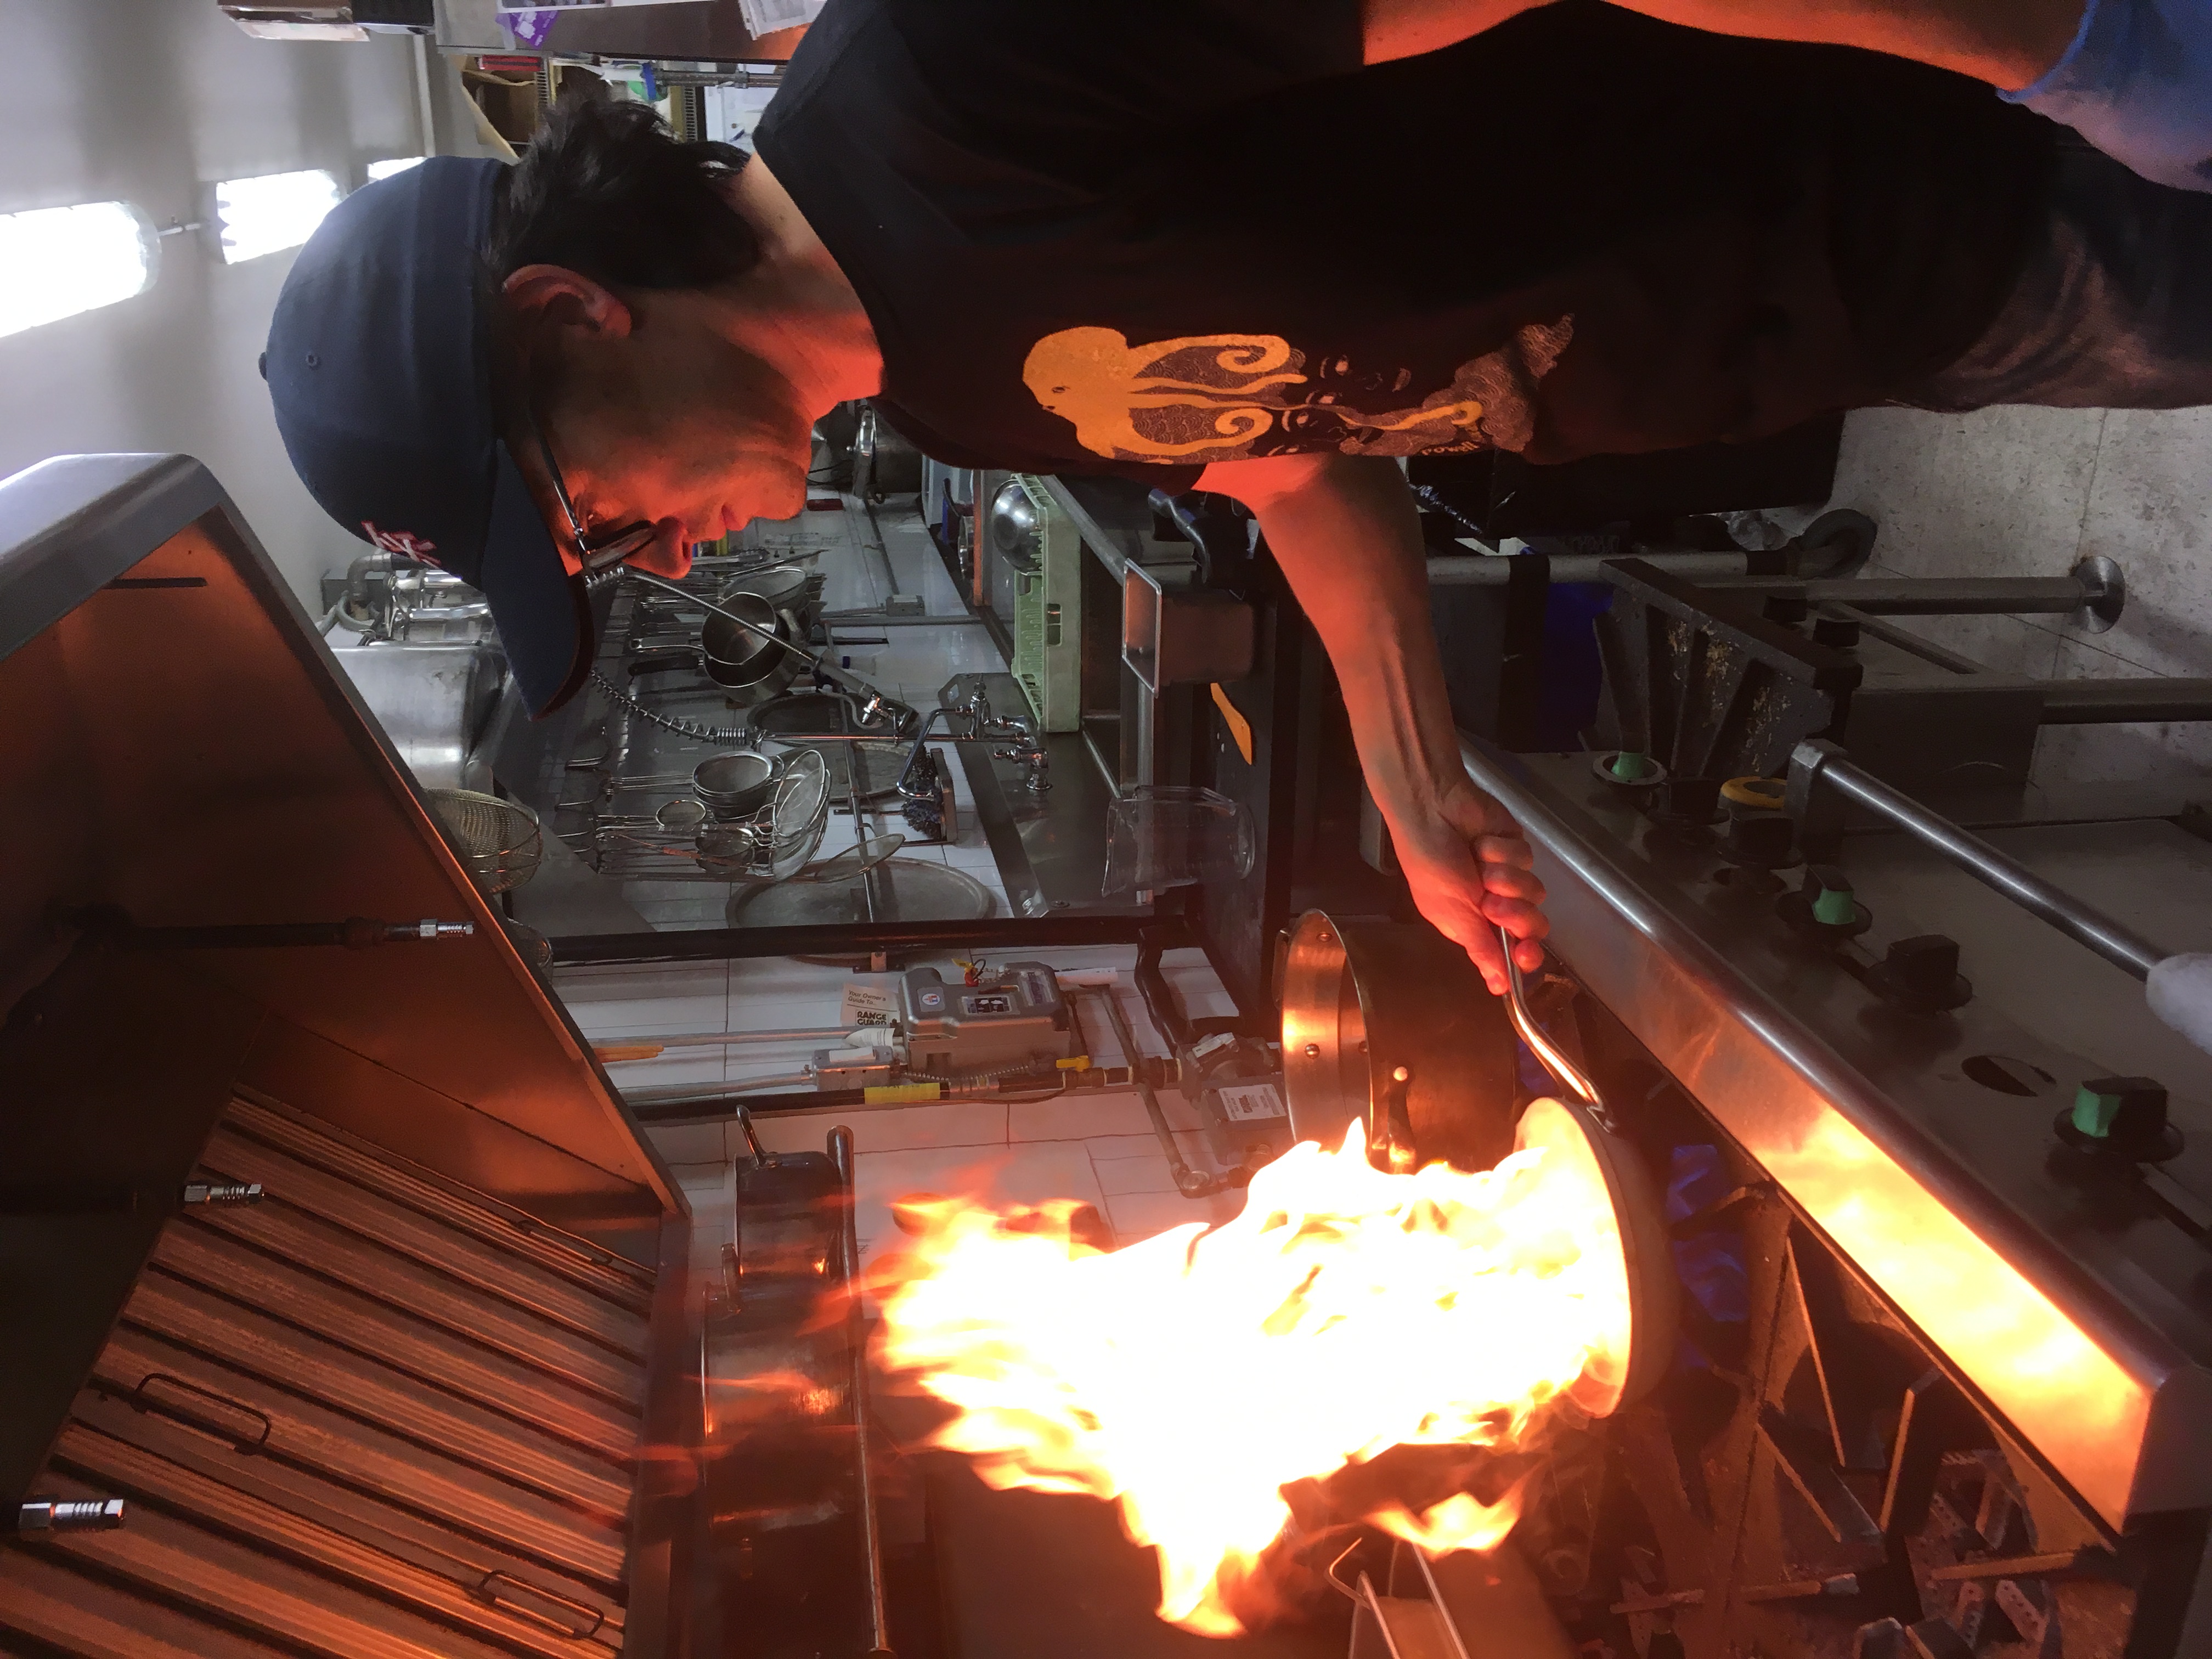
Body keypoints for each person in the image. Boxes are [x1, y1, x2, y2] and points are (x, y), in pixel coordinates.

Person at [263, 0, 2212, 991]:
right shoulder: (951, 403)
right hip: (1874, 318)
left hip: (1948, 141)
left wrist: (2076, 44)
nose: (660, 558)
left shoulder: (947, 78)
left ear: (573, 310)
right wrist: (1417, 791)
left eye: (588, 519)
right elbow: (1298, 466)